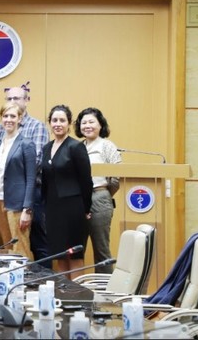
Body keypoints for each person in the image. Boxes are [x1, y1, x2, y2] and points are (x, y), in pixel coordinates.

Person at [0, 87, 50, 265]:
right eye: (9, 98)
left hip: (24, 197)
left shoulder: (33, 131)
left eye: (17, 98)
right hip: (0, 197)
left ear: (26, 101)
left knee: (27, 246)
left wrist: (27, 208)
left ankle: (32, 283)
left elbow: (32, 170)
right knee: (8, 247)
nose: (13, 102)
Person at [42, 104, 93, 279]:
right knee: (59, 255)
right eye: (54, 120)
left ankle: (77, 296)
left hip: (73, 208)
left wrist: (86, 209)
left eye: (62, 120)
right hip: (53, 208)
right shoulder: (46, 148)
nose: (58, 124)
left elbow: (86, 181)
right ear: (49, 123)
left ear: (69, 123)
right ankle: (63, 295)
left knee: (74, 254)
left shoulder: (76, 147)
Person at [0, 102, 36, 259]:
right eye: (5, 116)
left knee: (21, 248)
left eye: (13, 116)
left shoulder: (26, 144)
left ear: (20, 119)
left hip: (17, 205)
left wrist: (27, 209)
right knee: (8, 248)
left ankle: (26, 281)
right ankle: (14, 282)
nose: (9, 119)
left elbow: (31, 178)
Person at [75, 107, 122, 273]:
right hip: (78, 200)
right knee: (76, 249)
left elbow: (116, 178)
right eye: (84, 122)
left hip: (99, 197)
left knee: (101, 250)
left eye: (91, 122)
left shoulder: (107, 146)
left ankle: (106, 293)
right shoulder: (77, 147)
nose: (87, 125)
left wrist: (104, 194)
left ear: (100, 125)